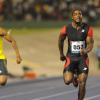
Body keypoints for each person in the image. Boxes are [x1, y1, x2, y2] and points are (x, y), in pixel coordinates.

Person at [58, 8, 94, 100]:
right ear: (72, 17)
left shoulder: (87, 28)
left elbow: (90, 44)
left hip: (82, 59)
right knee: (67, 81)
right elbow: (60, 41)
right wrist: (61, 54)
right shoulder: (66, 28)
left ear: (82, 16)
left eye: (80, 14)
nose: (78, 15)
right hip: (71, 57)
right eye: (75, 14)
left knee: (82, 83)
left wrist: (85, 50)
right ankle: (74, 76)